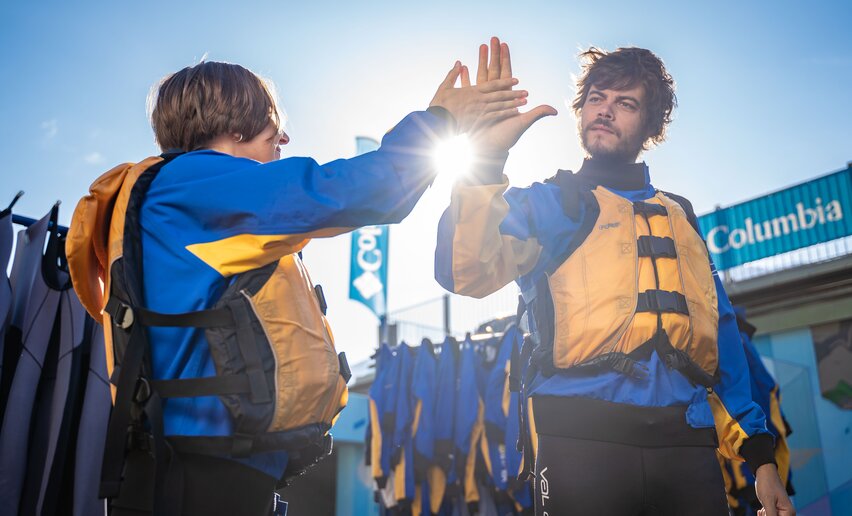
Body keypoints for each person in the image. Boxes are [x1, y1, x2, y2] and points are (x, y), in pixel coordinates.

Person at [67, 49, 527, 516]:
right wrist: (441, 122)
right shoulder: (194, 183)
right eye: (272, 124)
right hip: (194, 476)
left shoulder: (190, 196)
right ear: (236, 126)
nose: (283, 137)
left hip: (209, 470)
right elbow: (351, 191)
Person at [435, 44, 796, 515]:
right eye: (597, 98)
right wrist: (484, 161)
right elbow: (465, 271)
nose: (605, 110)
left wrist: (761, 463)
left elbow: (722, 343)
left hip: (686, 448)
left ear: (652, 125)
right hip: (578, 446)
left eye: (625, 103)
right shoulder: (551, 204)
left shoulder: (680, 216)